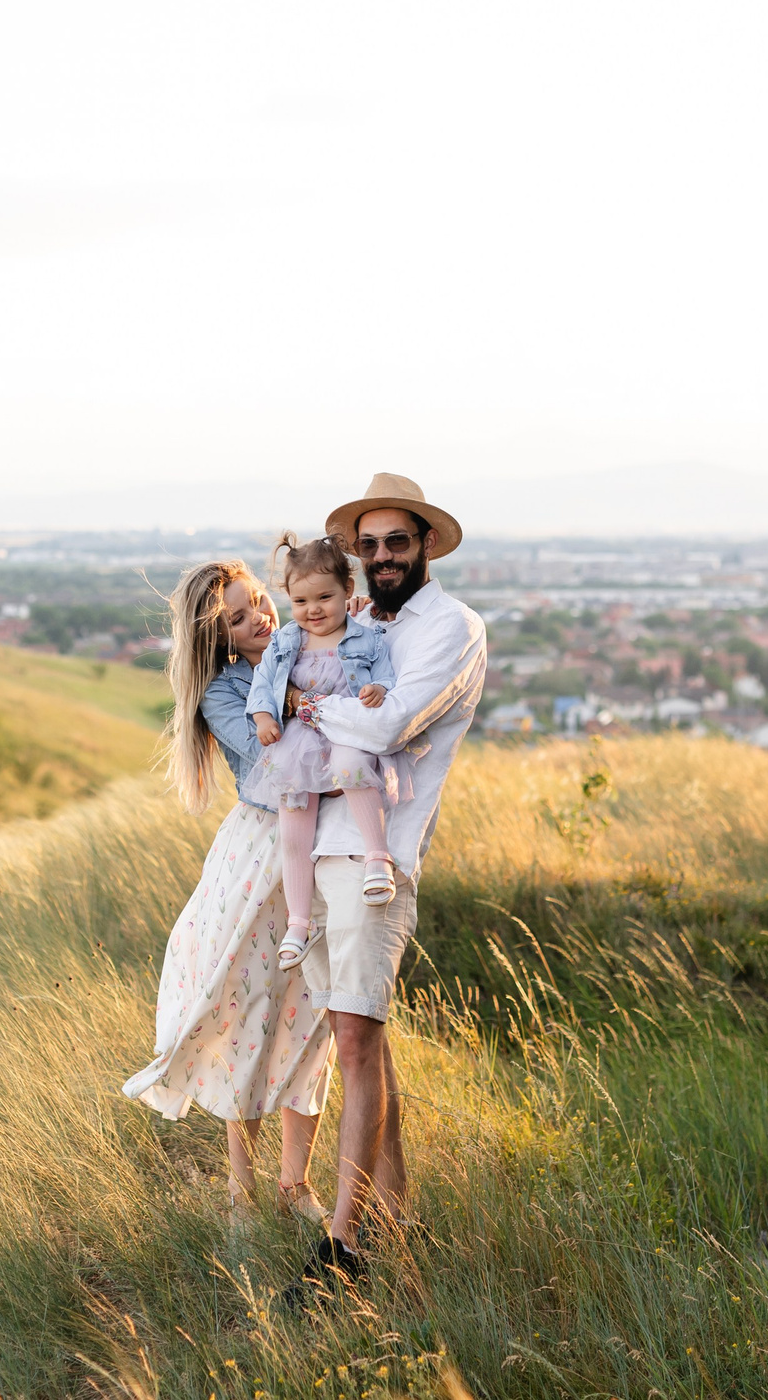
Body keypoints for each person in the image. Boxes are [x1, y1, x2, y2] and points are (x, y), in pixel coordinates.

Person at [285, 473, 486, 1304]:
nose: (380, 556)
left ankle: (342, 1244)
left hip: (382, 859)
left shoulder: (453, 628)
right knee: (362, 1037)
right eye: (366, 545)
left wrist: (310, 708)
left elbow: (386, 724)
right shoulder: (359, 618)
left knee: (359, 1043)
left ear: (426, 543)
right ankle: (397, 1216)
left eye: (395, 542)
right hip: (327, 849)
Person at [121, 560, 334, 1227]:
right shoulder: (224, 690)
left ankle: (294, 1183)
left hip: (326, 843)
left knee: (315, 1014)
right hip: (264, 849)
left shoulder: (307, 651)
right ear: (217, 635)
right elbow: (279, 757)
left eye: (261, 603)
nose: (260, 619)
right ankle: (242, 1187)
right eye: (238, 617)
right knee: (249, 1011)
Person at [245, 532, 400, 972]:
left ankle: (377, 858)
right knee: (294, 831)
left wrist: (377, 688)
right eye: (300, 601)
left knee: (352, 767)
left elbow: (387, 675)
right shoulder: (286, 642)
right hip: (299, 741)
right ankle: (299, 922)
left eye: (324, 597)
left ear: (348, 591)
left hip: (346, 730)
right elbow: (262, 686)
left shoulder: (365, 638)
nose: (313, 610)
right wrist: (263, 719)